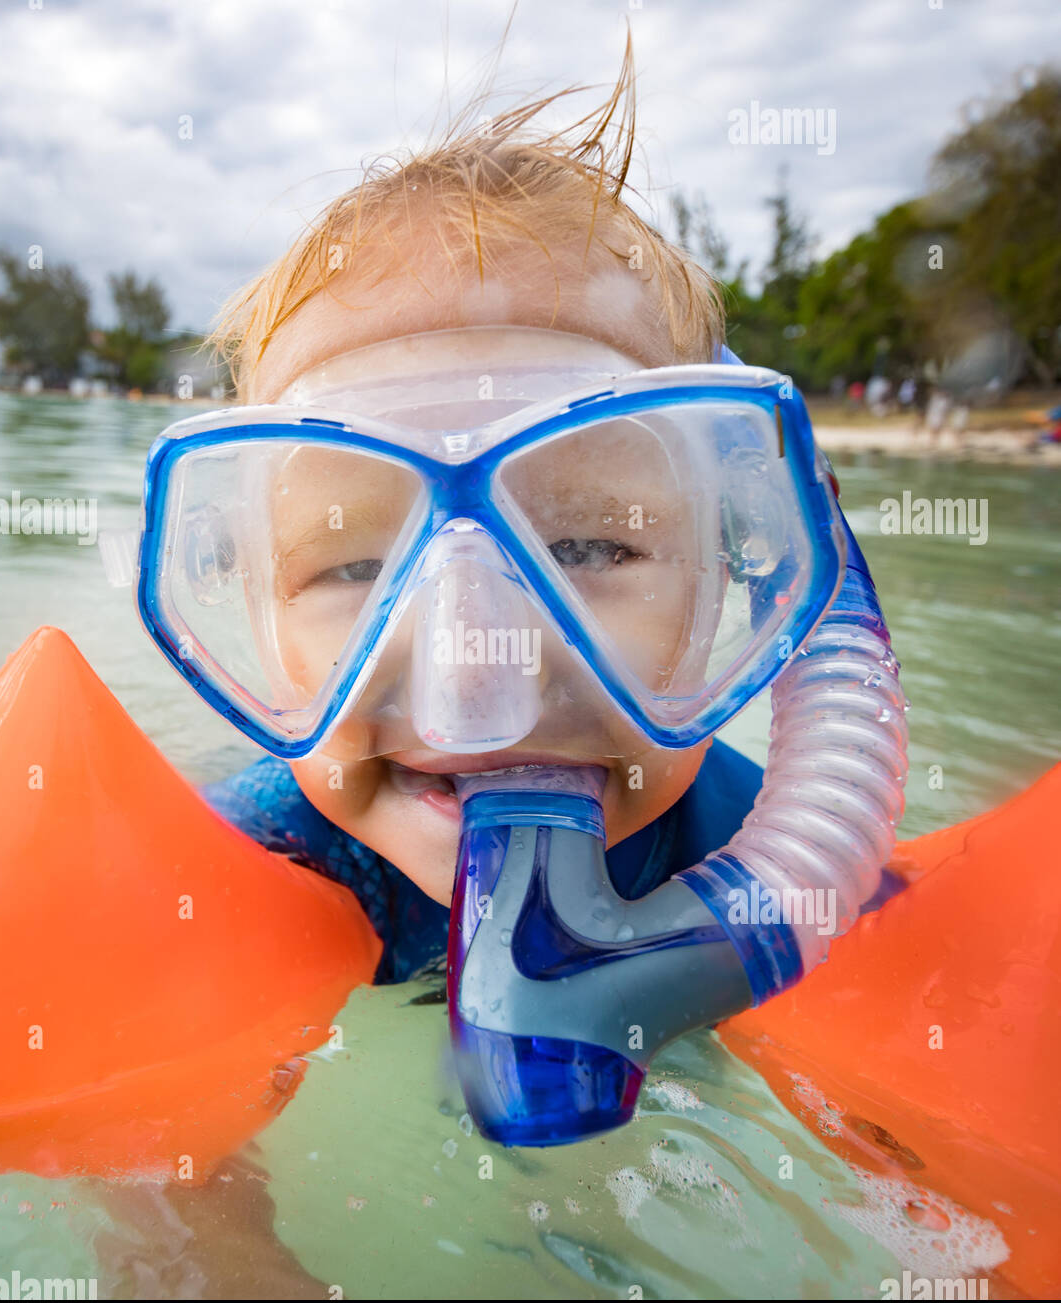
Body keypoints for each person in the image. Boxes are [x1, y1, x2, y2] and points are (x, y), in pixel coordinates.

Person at [136, 50, 897, 999]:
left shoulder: (786, 860)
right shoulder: (256, 853)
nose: (475, 677)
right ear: (248, 605)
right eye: (354, 567)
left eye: (584, 547)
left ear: (728, 580)